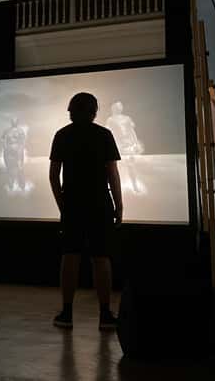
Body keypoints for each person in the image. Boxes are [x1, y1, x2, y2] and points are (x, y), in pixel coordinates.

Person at [49, 93, 124, 330]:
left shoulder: (62, 135)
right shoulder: (104, 135)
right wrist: (119, 205)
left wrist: (62, 204)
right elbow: (112, 173)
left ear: (71, 111)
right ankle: (104, 315)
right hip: (100, 204)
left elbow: (53, 175)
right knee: (101, 257)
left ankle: (67, 314)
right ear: (94, 111)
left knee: (70, 256)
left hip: (72, 204)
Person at [105, 101, 145, 194]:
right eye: (116, 107)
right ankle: (112, 187)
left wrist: (135, 142)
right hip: (117, 144)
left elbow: (131, 131)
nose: (117, 109)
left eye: (119, 107)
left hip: (127, 145)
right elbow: (108, 132)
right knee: (112, 167)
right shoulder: (110, 120)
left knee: (130, 166)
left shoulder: (127, 119)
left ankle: (134, 186)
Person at [1, 118, 28, 192]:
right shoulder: (10, 131)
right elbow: (3, 141)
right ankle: (14, 185)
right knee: (13, 169)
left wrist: (19, 149)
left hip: (15, 151)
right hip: (12, 151)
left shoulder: (18, 131)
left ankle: (20, 185)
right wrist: (6, 148)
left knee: (18, 168)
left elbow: (23, 142)